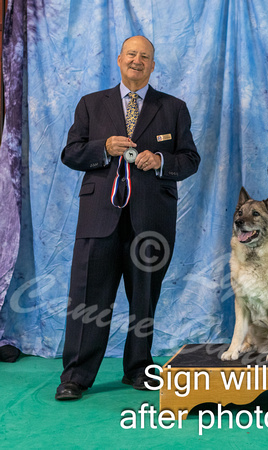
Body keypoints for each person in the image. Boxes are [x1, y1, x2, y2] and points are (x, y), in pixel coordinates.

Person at [56, 36, 200, 400]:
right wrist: (102, 149)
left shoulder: (174, 107)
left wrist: (162, 161)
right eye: (132, 54)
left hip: (152, 219)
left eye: (145, 57)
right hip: (99, 217)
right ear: (120, 59)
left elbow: (190, 159)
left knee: (144, 297)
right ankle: (75, 375)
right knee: (89, 297)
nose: (137, 61)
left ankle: (138, 368)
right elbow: (70, 153)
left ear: (153, 66)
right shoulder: (91, 104)